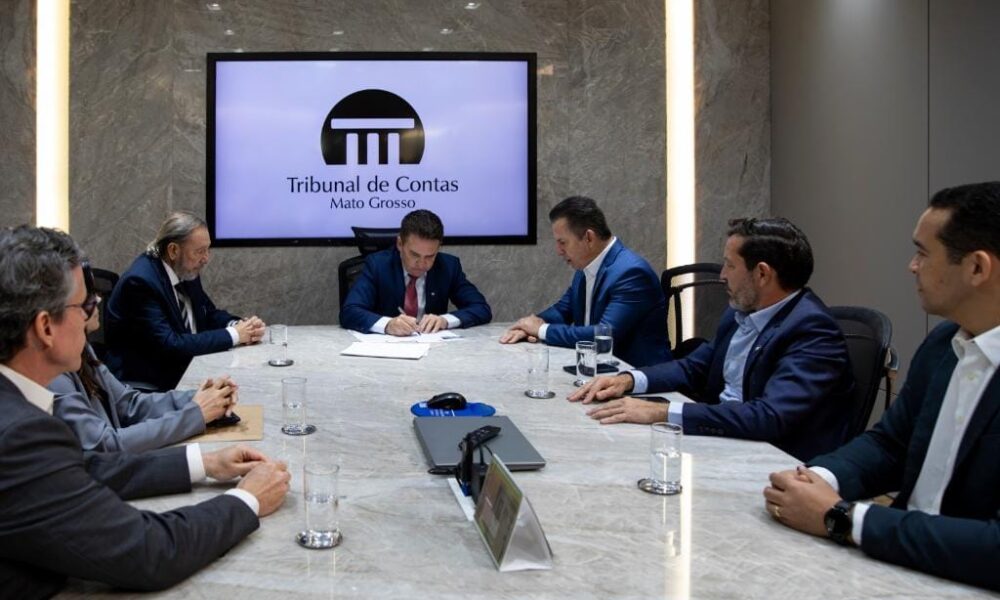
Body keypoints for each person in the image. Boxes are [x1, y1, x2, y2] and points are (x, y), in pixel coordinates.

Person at [0, 225, 290, 596]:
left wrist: (205, 463)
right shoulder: (19, 436)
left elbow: (89, 467)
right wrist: (247, 500)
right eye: (85, 306)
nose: (94, 314)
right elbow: (148, 552)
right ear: (45, 327)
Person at [763, 182, 1000, 591]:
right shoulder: (943, 345)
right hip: (896, 565)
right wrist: (818, 479)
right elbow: (891, 444)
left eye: (923, 253)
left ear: (977, 268)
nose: (912, 266)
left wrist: (842, 517)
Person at [571, 217, 854, 462]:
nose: (721, 276)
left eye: (730, 265)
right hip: (724, 438)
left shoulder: (813, 331)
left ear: (762, 273)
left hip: (774, 461)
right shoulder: (739, 313)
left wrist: (663, 412)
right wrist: (629, 380)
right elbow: (693, 367)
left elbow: (768, 417)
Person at [51, 296, 240, 453]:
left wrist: (201, 397)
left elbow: (129, 404)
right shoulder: (53, 374)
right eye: (87, 294)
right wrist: (193, 415)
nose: (98, 298)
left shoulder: (81, 346)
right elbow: (106, 444)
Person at [500, 196, 670, 368]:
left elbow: (603, 337)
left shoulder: (631, 273)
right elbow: (562, 311)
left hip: (638, 375)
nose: (559, 251)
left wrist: (541, 330)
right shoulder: (586, 267)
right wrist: (528, 326)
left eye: (563, 242)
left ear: (588, 238)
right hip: (595, 371)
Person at [104, 211, 266, 391]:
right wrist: (234, 335)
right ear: (173, 250)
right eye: (199, 251)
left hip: (187, 367)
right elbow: (171, 345)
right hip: (150, 383)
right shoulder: (140, 282)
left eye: (208, 249)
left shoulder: (185, 269)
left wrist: (240, 326)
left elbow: (207, 313)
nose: (206, 259)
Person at [339, 209, 492, 336]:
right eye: (414, 255)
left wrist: (445, 320)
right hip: (386, 352)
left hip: (433, 350)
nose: (421, 264)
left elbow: (481, 308)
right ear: (400, 244)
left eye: (430, 256)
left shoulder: (448, 266)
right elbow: (350, 312)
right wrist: (388, 324)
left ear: (438, 248)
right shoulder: (378, 265)